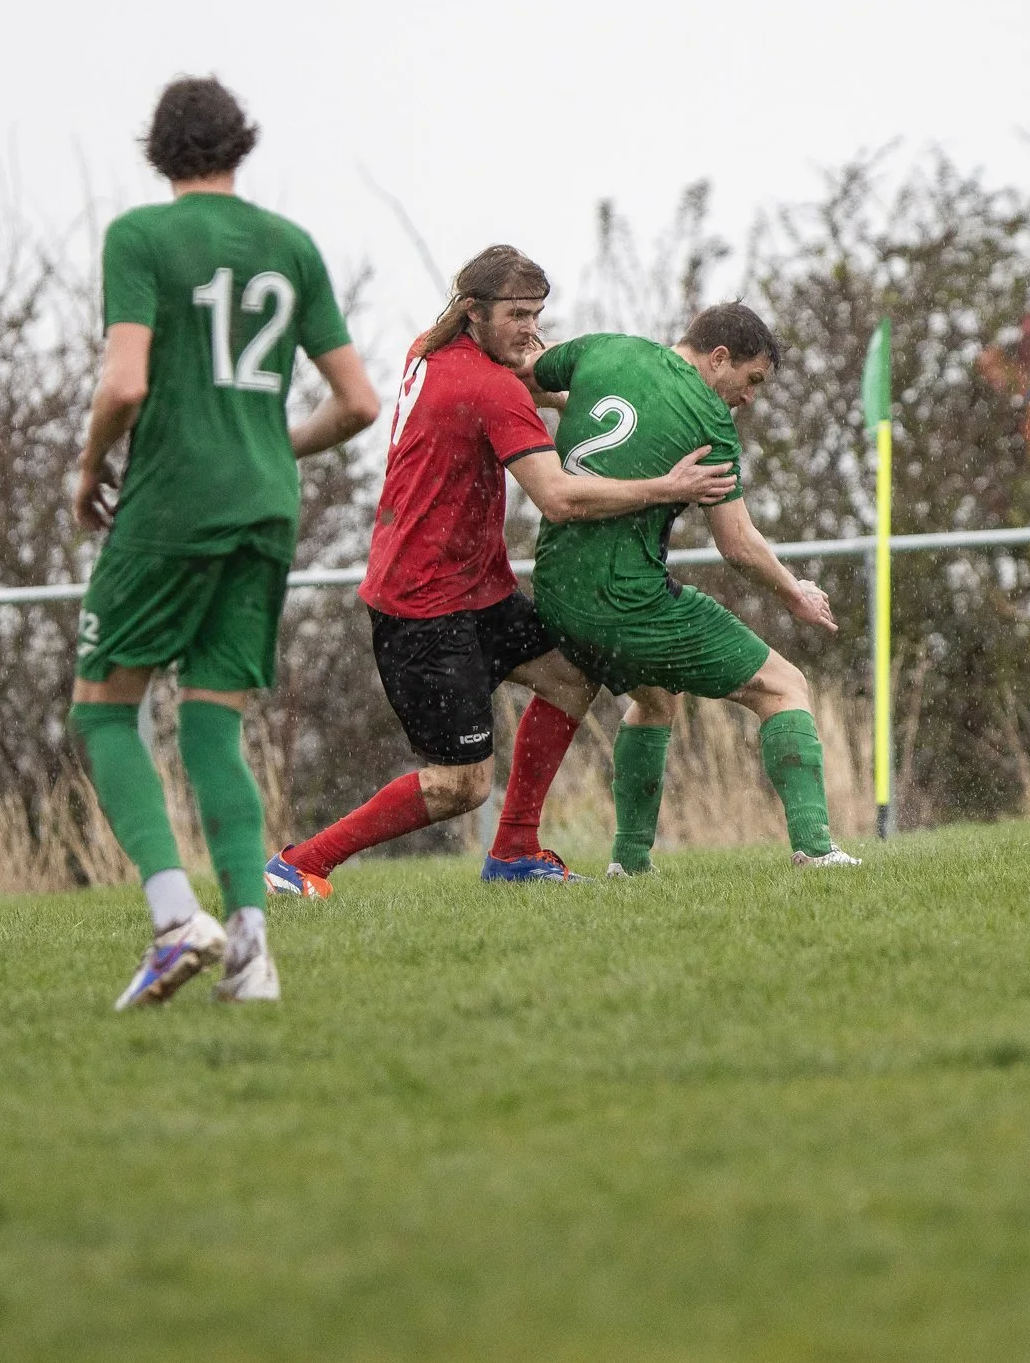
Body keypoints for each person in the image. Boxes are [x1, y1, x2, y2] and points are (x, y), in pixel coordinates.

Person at [261, 246, 732, 899]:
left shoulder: (429, 349)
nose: (532, 331)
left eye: (537, 314)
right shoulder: (492, 389)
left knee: (572, 676)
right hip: (423, 608)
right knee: (461, 785)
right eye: (517, 315)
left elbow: (533, 376)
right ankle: (301, 863)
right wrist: (666, 485)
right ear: (474, 313)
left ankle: (513, 851)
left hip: (475, 591)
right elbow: (560, 497)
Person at [70, 76, 379, 1009]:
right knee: (213, 724)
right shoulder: (291, 245)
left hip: (172, 503)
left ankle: (176, 920)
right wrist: (263, 445)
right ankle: (252, 952)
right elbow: (359, 402)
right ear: (240, 147)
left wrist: (87, 470)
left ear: (160, 153)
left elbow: (124, 385)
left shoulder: (141, 237)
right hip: (264, 506)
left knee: (102, 711)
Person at [525, 303, 861, 874]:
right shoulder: (710, 420)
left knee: (654, 698)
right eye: (750, 380)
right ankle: (817, 849)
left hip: (555, 590)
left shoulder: (604, 349)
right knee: (783, 687)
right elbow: (738, 545)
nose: (749, 398)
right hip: (625, 600)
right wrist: (794, 593)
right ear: (718, 357)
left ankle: (628, 863)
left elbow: (522, 376)